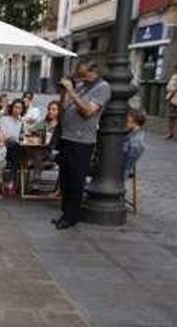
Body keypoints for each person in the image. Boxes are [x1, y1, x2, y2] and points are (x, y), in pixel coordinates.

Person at [54, 61, 112, 230]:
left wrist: (71, 91)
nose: (80, 76)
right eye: (79, 73)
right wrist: (65, 93)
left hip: (82, 140)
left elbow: (88, 111)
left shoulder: (102, 87)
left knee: (75, 179)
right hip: (67, 136)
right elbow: (65, 108)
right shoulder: (82, 86)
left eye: (84, 73)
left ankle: (72, 216)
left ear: (95, 71)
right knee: (64, 178)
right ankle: (65, 212)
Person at [0, 99, 25, 190]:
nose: (17, 110)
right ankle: (12, 180)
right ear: (12, 108)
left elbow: (22, 135)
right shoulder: (4, 119)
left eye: (20, 108)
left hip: (14, 149)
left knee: (17, 149)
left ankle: (12, 180)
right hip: (4, 146)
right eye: (15, 107)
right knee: (15, 147)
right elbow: (3, 135)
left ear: (22, 110)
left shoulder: (22, 122)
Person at [123, 109, 147, 178]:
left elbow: (128, 163)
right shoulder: (130, 133)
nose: (125, 123)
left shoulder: (136, 142)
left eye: (127, 121)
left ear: (135, 123)